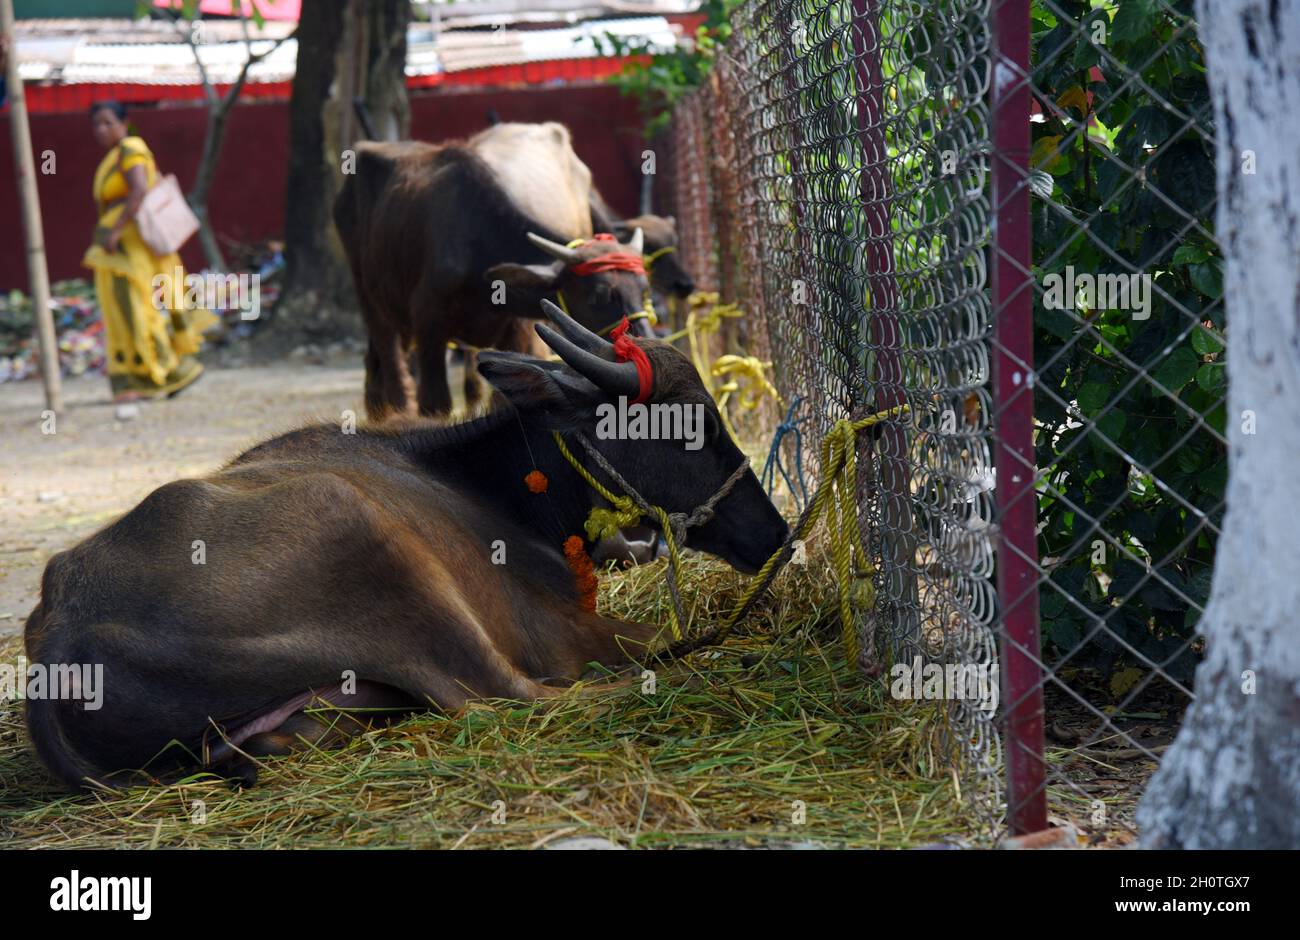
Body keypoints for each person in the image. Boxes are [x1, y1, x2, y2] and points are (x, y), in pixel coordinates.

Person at [83, 101, 216, 402]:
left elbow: (140, 190)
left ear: (124, 122)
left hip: (129, 245)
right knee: (122, 309)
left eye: (107, 122)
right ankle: (141, 378)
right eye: (96, 125)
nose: (101, 130)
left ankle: (164, 373)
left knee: (133, 308)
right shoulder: (115, 156)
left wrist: (115, 230)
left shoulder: (131, 147)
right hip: (121, 246)